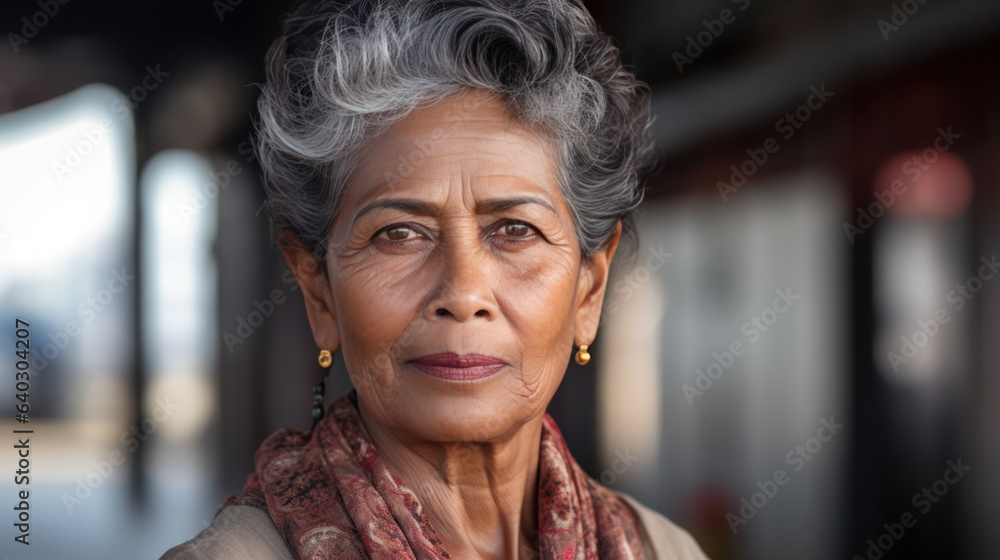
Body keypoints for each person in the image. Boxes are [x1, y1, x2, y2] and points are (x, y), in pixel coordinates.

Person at [160, 0, 710, 557]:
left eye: (515, 229)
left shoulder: (662, 549)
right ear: (319, 292)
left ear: (589, 290)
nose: (463, 293)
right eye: (399, 234)